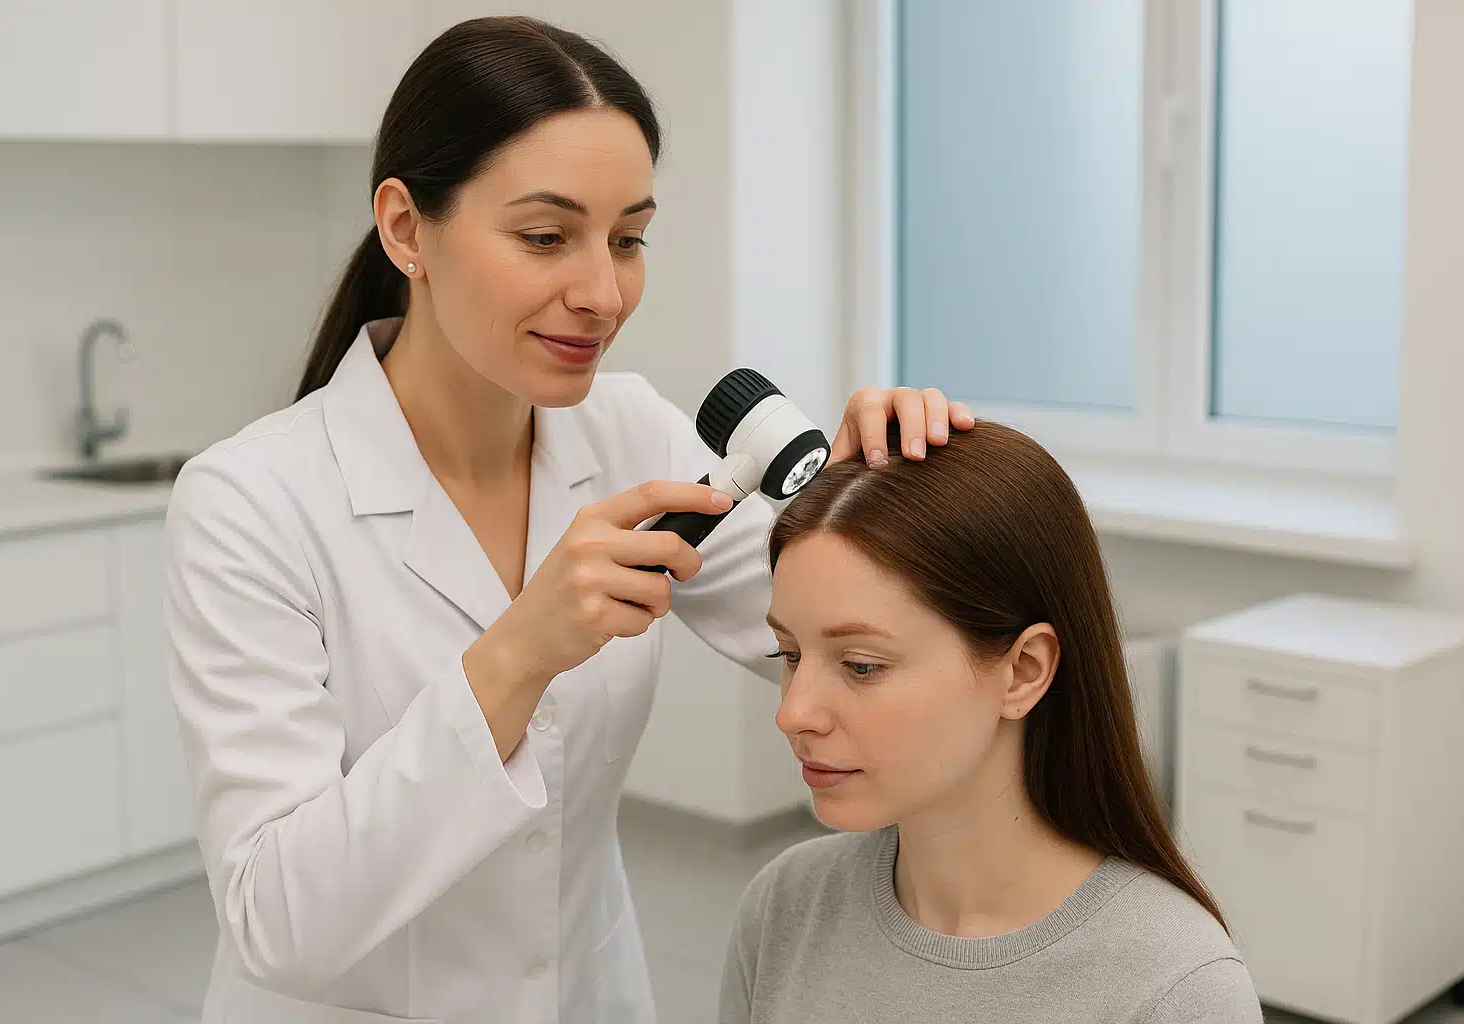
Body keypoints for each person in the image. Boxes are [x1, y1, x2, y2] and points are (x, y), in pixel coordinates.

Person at [163, 15, 970, 1024]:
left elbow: (841, 645)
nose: (603, 291)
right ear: (407, 228)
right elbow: (278, 919)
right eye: (547, 237)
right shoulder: (251, 502)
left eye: (628, 238)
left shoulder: (632, 433)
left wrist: (879, 507)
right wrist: (518, 654)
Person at [721, 422, 1263, 1023]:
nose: (792, 712)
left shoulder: (1178, 990)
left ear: (1023, 671)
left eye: (861, 665)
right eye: (789, 655)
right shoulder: (785, 908)